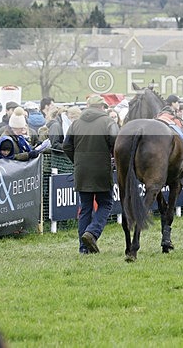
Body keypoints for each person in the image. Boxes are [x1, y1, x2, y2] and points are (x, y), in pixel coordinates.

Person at [63, 95, 118, 255]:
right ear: (101, 107)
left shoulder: (76, 124)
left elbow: (67, 146)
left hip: (82, 171)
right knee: (106, 203)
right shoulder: (108, 122)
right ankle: (92, 232)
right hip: (102, 169)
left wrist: (78, 161)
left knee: (85, 208)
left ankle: (84, 248)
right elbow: (117, 143)